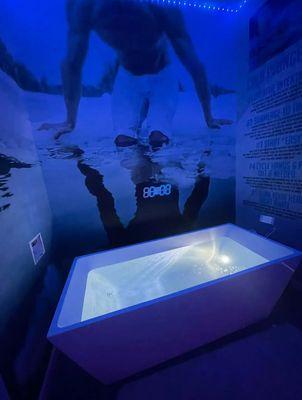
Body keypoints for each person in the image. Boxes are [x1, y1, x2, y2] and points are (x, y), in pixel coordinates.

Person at [39, 0, 232, 146]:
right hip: (128, 79)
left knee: (158, 138)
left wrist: (209, 117)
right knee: (123, 141)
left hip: (162, 76)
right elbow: (72, 62)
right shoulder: (85, 7)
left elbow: (193, 64)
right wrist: (70, 121)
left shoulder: (163, 8)